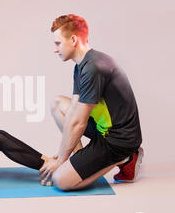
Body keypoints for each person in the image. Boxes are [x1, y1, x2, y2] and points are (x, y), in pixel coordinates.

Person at [39, 14, 143, 190]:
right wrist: (63, 154)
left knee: (61, 180)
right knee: (57, 104)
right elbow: (73, 111)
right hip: (103, 130)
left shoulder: (94, 67)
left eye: (58, 43)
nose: (55, 50)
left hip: (119, 140)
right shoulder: (81, 65)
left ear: (73, 39)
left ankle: (126, 157)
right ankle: (81, 160)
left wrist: (61, 162)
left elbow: (79, 123)